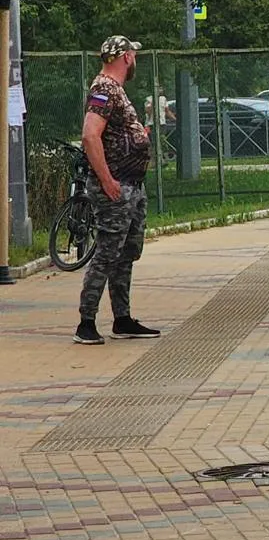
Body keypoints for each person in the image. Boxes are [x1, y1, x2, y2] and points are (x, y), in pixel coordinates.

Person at [75, 35, 159, 343]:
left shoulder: (116, 91)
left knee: (126, 253)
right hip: (116, 187)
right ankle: (86, 323)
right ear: (125, 57)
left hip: (131, 185)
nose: (135, 59)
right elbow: (89, 135)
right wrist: (107, 179)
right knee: (108, 253)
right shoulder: (104, 89)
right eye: (133, 54)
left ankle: (122, 318)